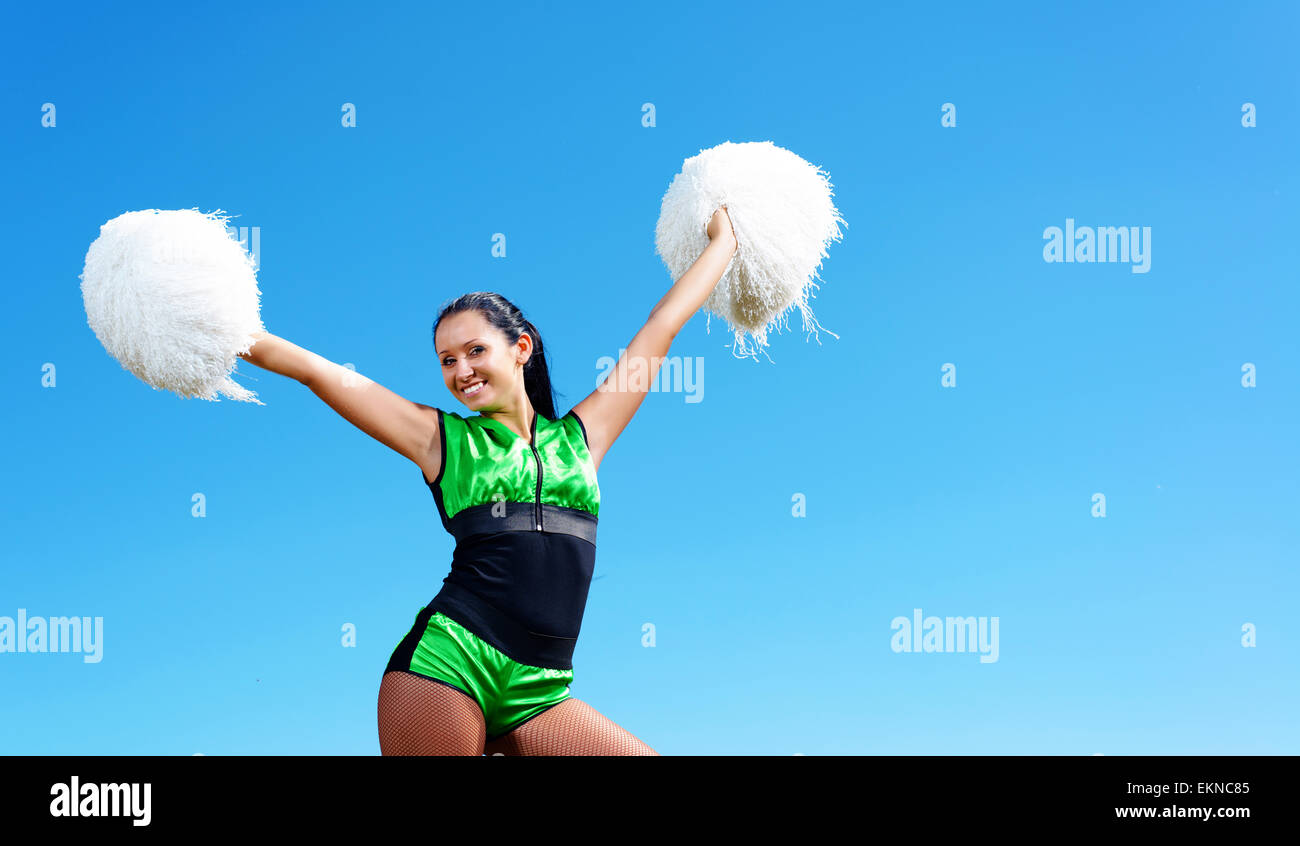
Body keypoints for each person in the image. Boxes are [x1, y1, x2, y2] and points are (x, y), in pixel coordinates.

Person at [238, 206, 738, 754]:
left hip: (540, 691)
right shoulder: (441, 440)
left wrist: (723, 242)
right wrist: (218, 327)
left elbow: (660, 328)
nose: (461, 371)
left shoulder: (583, 438)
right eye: (447, 360)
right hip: (446, 666)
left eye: (475, 351)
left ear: (520, 347)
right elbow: (319, 372)